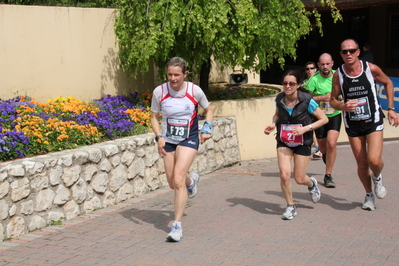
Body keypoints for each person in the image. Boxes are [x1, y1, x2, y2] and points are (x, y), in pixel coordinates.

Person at [330, 39, 399, 211]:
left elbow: (388, 83)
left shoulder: (370, 69)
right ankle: (369, 195)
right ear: (341, 54)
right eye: (345, 52)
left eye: (352, 50)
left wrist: (391, 109)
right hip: (353, 124)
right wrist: (343, 106)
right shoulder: (338, 75)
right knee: (361, 164)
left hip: (373, 120)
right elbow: (332, 101)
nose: (348, 54)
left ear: (358, 52)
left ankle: (378, 177)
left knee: (374, 160)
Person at [151, 57, 213, 241]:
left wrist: (207, 128)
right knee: (173, 183)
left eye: (177, 74)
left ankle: (176, 226)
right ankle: (191, 182)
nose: (173, 78)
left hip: (189, 138)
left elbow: (208, 110)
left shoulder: (194, 90)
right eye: (169, 74)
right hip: (168, 141)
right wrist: (158, 137)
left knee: (177, 179)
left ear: (185, 74)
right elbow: (154, 116)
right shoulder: (159, 91)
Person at [264, 69, 328, 220]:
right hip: (284, 141)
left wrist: (305, 128)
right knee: (284, 174)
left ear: (298, 85)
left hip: (302, 141)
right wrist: (273, 124)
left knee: (299, 178)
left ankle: (311, 184)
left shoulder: (307, 100)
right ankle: (290, 206)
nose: (288, 86)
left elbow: (323, 119)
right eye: (285, 83)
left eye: (291, 83)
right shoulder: (280, 99)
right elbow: (277, 114)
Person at [306, 53, 341, 188]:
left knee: (332, 143)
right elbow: (305, 97)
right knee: (323, 147)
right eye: (322, 64)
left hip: (335, 114)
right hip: (320, 116)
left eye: (328, 64)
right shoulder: (314, 79)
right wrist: (321, 98)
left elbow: (346, 90)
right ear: (319, 65)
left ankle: (328, 175)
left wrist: (342, 98)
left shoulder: (338, 75)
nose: (325, 67)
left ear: (332, 63)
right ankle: (327, 156)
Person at [302, 61, 322, 159]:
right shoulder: (304, 83)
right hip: (310, 108)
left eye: (312, 68)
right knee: (312, 128)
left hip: (322, 109)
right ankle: (318, 148)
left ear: (316, 69)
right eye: (307, 69)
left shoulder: (319, 80)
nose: (310, 70)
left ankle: (320, 148)